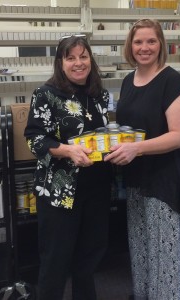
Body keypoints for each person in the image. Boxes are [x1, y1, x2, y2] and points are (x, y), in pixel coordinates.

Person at [104, 19, 180, 300]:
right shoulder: (128, 80)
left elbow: (178, 137)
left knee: (166, 260)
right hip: (138, 180)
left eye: (151, 41)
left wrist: (136, 149)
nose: (144, 48)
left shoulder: (174, 82)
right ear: (129, 46)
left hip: (168, 182)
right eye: (138, 42)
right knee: (142, 252)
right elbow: (131, 128)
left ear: (161, 45)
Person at [24, 35, 113, 300]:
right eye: (71, 57)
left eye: (83, 56)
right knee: (56, 261)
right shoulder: (46, 94)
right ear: (60, 62)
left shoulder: (100, 94)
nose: (78, 63)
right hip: (60, 191)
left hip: (96, 188)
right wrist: (68, 150)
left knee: (88, 259)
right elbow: (34, 138)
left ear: (90, 60)